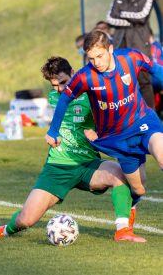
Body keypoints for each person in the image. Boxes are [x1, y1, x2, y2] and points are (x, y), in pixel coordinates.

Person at [0, 56, 145, 242]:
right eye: (54, 86)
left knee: (121, 175)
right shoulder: (54, 97)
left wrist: (98, 135)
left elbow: (110, 123)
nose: (61, 89)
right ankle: (3, 230)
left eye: (63, 82)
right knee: (26, 220)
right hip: (58, 167)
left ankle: (123, 231)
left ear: (73, 73)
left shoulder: (92, 95)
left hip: (87, 163)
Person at [45, 30, 163, 202]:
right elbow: (64, 100)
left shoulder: (131, 57)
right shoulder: (85, 77)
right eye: (91, 58)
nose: (96, 63)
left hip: (143, 121)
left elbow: (156, 70)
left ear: (111, 49)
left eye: (100, 56)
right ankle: (131, 207)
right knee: (138, 188)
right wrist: (53, 130)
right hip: (119, 138)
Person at [106, 0, 154, 108]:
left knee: (144, 81)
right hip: (120, 44)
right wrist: (131, 20)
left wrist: (121, 13)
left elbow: (142, 17)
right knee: (120, 81)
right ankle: (125, 115)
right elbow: (110, 19)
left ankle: (150, 116)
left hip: (140, 45)